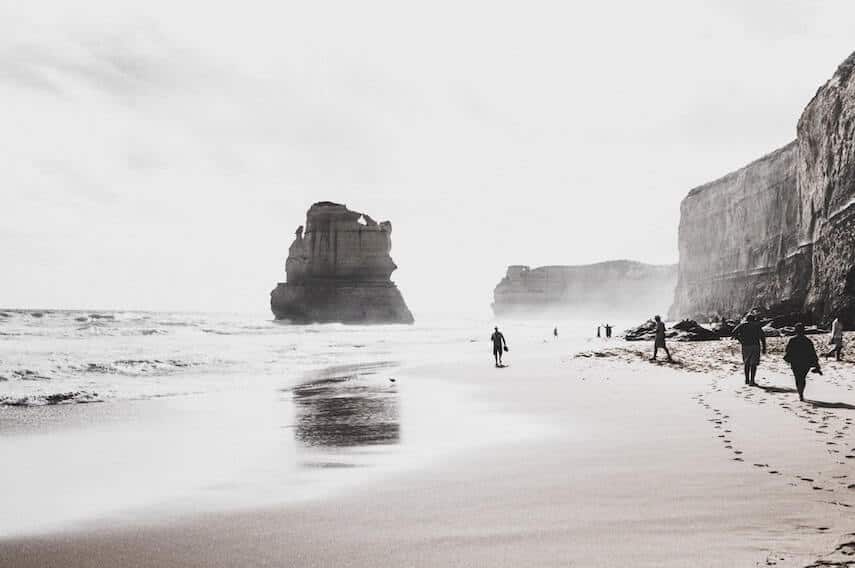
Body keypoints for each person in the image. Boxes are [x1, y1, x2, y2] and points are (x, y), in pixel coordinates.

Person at [784, 323, 822, 402]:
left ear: (795, 331)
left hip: (795, 362)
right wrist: (816, 364)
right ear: (804, 331)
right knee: (803, 378)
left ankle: (800, 393)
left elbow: (788, 351)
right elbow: (812, 353)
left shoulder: (792, 340)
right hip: (805, 363)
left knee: (797, 378)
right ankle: (801, 392)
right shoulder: (807, 341)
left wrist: (787, 359)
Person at [732, 314, 767, 386]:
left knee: (746, 363)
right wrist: (764, 348)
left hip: (745, 346)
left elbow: (733, 332)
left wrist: (740, 340)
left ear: (747, 319)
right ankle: (752, 380)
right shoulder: (756, 326)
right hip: (755, 346)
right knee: (753, 364)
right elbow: (762, 337)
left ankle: (747, 379)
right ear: (753, 320)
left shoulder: (742, 325)